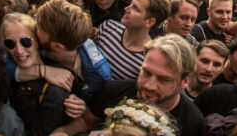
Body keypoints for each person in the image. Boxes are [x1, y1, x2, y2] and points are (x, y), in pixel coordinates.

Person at [50, 34, 203, 136]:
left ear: (185, 81)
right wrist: (62, 132)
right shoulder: (115, 89)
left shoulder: (193, 124)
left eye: (164, 80)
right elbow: (87, 121)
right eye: (146, 73)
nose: (149, 86)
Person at [0, 12, 72, 135]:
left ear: (38, 41)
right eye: (10, 44)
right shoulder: (2, 75)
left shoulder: (60, 76)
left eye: (26, 42)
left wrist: (81, 104)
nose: (18, 50)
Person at [96, 0, 171, 80]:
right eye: (131, 4)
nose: (126, 9)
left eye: (135, 8)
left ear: (149, 22)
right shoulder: (107, 27)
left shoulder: (147, 61)